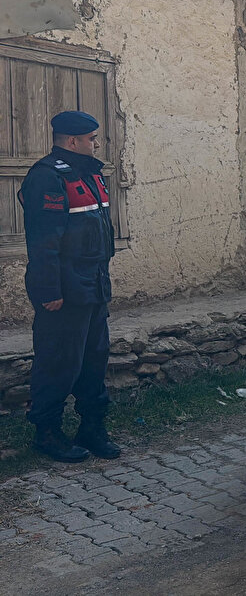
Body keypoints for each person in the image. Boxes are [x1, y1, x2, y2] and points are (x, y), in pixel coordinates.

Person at [19, 110, 120, 462]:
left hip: (94, 287)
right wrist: (49, 292)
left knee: (94, 361)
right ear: (73, 140)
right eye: (92, 138)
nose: (97, 143)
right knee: (59, 363)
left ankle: (92, 427)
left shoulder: (91, 175)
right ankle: (47, 433)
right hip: (64, 293)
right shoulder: (46, 178)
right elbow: (44, 242)